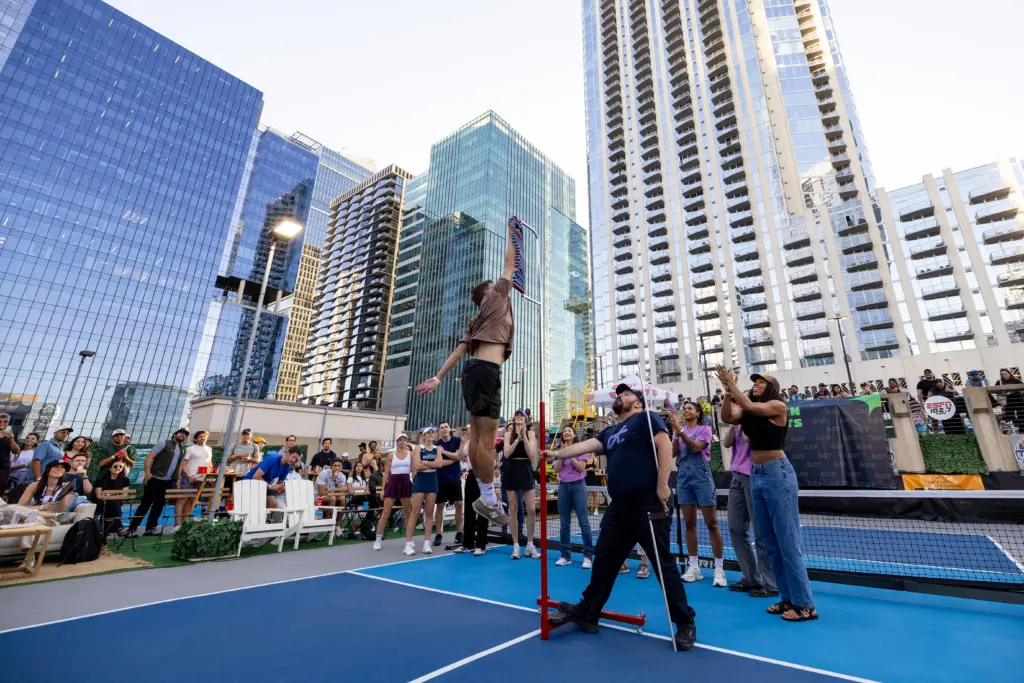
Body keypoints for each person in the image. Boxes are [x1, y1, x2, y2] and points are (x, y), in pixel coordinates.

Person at [542, 383, 697, 651]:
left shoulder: (647, 418)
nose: (620, 396)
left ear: (637, 402)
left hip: (648, 504)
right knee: (604, 561)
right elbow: (583, 446)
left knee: (663, 566)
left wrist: (662, 484)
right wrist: (555, 453)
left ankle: (685, 622)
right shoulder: (610, 432)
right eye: (619, 393)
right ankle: (589, 612)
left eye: (626, 394)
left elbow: (663, 445)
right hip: (619, 508)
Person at [413, 220, 520, 526]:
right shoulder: (496, 297)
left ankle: (485, 496)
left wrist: (438, 377)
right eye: (494, 284)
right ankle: (488, 499)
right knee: (486, 439)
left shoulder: (477, 320)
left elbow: (460, 351)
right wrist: (513, 234)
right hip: (485, 372)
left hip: (473, 372)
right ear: (488, 291)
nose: (500, 285)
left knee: (476, 435)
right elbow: (510, 263)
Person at [717, 367, 817, 622]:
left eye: (762, 382)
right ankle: (787, 599)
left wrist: (733, 386)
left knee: (788, 542)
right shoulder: (749, 411)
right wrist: (728, 392)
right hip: (756, 473)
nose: (757, 384)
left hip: (777, 473)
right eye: (755, 381)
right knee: (771, 543)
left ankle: (805, 605)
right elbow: (728, 416)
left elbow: (750, 406)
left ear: (772, 388)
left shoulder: (777, 406)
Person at [669, 401, 726, 587]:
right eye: (684, 408)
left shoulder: (705, 430)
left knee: (712, 523)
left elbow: (695, 448)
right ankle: (694, 566)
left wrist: (680, 431)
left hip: (701, 477)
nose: (686, 410)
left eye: (690, 408)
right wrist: (675, 433)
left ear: (698, 413)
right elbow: (673, 453)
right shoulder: (679, 430)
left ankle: (719, 569)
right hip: (683, 477)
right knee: (689, 523)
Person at [722, 420, 777, 597]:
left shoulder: (757, 421)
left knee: (761, 531)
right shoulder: (737, 424)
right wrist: (733, 424)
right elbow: (726, 443)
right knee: (735, 527)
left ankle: (771, 583)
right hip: (736, 477)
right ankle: (750, 578)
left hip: (754, 475)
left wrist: (745, 422)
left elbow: (751, 441)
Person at [121, 428, 190, 537]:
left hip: (168, 481)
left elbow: (179, 465)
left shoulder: (182, 449)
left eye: (185, 434)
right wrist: (147, 473)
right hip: (155, 478)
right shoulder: (163, 443)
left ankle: (150, 528)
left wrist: (177, 480)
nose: (183, 435)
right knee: (145, 504)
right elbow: (149, 457)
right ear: (175, 434)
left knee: (159, 505)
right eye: (181, 433)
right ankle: (132, 529)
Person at [554, 425, 593, 568]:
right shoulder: (559, 451)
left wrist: (570, 455)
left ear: (574, 434)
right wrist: (562, 453)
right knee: (564, 523)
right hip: (563, 487)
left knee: (584, 522)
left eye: (569, 431)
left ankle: (587, 556)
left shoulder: (580, 449)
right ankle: (565, 555)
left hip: (578, 486)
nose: (566, 433)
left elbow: (581, 467)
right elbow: (557, 469)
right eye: (564, 431)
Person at [503, 410, 540, 560]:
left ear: (526, 419)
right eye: (517, 416)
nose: (519, 418)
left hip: (525, 469)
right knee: (513, 508)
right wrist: (517, 439)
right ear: (514, 419)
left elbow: (531, 453)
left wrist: (523, 436)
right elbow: (506, 453)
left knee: (531, 509)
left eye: (522, 416)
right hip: (511, 469)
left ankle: (530, 544)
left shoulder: (530, 433)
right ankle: (516, 545)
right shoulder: (508, 434)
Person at [405, 426, 445, 556]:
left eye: (433, 432)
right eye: (429, 433)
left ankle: (427, 543)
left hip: (432, 480)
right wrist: (431, 464)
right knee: (415, 512)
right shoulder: (418, 448)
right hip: (421, 480)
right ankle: (408, 544)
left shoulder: (437, 449)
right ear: (424, 435)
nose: (431, 434)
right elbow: (417, 465)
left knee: (429, 513)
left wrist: (426, 462)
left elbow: (439, 464)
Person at [373, 435, 414, 551]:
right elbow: (386, 473)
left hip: (406, 484)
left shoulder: (411, 454)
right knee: (386, 512)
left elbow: (414, 469)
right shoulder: (391, 455)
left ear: (407, 442)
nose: (402, 442)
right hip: (393, 484)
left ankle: (409, 540)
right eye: (400, 440)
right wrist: (383, 489)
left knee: (408, 513)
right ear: (397, 442)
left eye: (404, 440)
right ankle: (377, 540)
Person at [459, 426, 490, 556]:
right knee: (469, 508)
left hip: (483, 474)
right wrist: (463, 442)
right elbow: (460, 456)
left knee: (482, 509)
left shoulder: (486, 440)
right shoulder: (468, 442)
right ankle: (467, 544)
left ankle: (481, 545)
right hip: (471, 475)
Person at [433, 421, 464, 547]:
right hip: (441, 479)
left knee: (459, 504)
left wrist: (444, 452)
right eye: (442, 428)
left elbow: (459, 456)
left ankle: (459, 533)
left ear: (449, 429)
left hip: (455, 478)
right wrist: (453, 459)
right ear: (440, 431)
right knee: (440, 506)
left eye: (446, 427)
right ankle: (438, 534)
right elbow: (439, 463)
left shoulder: (456, 440)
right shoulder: (436, 445)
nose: (444, 429)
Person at [175, 431, 212, 527]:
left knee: (192, 500)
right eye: (200, 436)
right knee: (182, 500)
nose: (203, 437)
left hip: (201, 479)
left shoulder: (209, 449)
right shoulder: (190, 449)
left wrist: (209, 475)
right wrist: (190, 475)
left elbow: (209, 463)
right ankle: (177, 525)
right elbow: (183, 465)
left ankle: (185, 523)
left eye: (204, 436)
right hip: (189, 478)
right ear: (195, 439)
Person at [95, 458, 131, 536]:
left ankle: (104, 528)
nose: (118, 468)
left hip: (116, 503)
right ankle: (119, 527)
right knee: (112, 501)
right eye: (115, 466)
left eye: (120, 467)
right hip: (102, 503)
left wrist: (110, 495)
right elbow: (98, 496)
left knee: (113, 501)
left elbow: (124, 496)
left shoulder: (125, 480)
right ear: (110, 468)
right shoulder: (101, 479)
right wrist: (113, 496)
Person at [0, 413, 19, 498]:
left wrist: (11, 439)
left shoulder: (12, 433)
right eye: (0, 421)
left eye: (5, 421)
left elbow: (16, 451)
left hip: (3, 468)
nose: (2, 423)